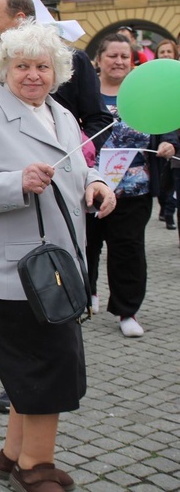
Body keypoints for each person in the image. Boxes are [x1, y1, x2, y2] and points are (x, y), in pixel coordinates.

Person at [0, 21, 116, 492]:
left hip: (53, 266)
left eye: (43, 66)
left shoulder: (59, 113)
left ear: (58, 72)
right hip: (8, 272)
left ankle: (14, 453)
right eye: (23, 66)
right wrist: (13, 182)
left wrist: (97, 184)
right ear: (5, 69)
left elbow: (78, 167)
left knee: (35, 365)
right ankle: (35, 467)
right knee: (46, 367)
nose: (33, 75)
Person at [87, 33, 179, 338]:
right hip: (88, 187)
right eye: (112, 56)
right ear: (98, 60)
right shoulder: (85, 94)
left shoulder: (146, 92)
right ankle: (88, 295)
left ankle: (127, 311)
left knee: (127, 251)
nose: (119, 61)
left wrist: (168, 143)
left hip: (134, 189)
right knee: (86, 246)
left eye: (125, 56)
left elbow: (168, 124)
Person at [153, 39, 179, 228]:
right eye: (162, 52)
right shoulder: (151, 79)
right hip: (165, 140)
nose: (166, 55)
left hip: (173, 141)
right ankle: (167, 209)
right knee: (167, 181)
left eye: (169, 51)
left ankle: (169, 211)